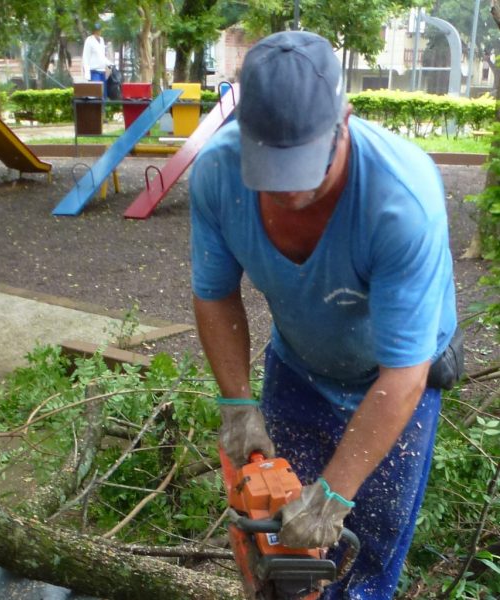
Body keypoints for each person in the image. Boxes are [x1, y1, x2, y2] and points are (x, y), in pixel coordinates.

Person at [189, 31, 463, 599]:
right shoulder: (217, 176)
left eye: (307, 167)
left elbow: (403, 374)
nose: (289, 192)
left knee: (365, 557)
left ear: (345, 120)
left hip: (395, 379)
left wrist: (336, 494)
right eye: (272, 168)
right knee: (285, 551)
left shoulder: (399, 200)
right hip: (300, 361)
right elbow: (214, 293)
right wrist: (238, 402)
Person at [82, 23, 107, 96]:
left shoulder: (102, 40)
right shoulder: (89, 40)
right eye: (96, 30)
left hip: (102, 71)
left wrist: (110, 64)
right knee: (96, 94)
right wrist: (87, 74)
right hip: (94, 72)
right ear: (93, 31)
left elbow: (102, 56)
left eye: (99, 30)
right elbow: (85, 57)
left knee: (103, 95)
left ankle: (103, 107)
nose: (98, 32)